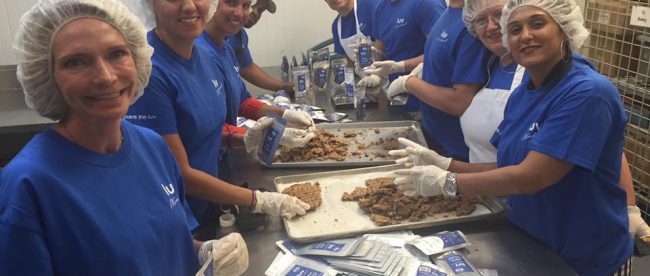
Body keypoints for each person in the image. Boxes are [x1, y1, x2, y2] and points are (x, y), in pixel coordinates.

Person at [0, 0, 247, 275]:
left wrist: (202, 251)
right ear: (48, 76)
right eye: (75, 62)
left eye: (117, 54)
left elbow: (167, 241)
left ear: (137, 57)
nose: (105, 77)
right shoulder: (28, 186)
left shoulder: (152, 147)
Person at [389, 0, 634, 274]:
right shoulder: (524, 93)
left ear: (564, 30)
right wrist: (446, 164)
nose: (525, 35)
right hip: (533, 245)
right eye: (515, 29)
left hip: (585, 258)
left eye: (538, 24)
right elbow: (511, 164)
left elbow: (532, 177)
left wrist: (449, 182)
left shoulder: (587, 93)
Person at [126, 0, 311, 235]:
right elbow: (176, 171)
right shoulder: (151, 73)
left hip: (208, 198)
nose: (190, 6)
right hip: (176, 216)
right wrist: (258, 199)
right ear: (151, 5)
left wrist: (242, 139)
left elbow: (200, 130)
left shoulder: (203, 55)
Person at [386, 0, 490, 161]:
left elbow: (459, 102)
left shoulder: (472, 25)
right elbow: (441, 60)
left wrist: (409, 83)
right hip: (432, 136)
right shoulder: (448, 14)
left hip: (456, 151)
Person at [361, 0, 446, 110]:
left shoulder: (427, 4)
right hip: (396, 99)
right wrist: (371, 67)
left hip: (425, 101)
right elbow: (380, 49)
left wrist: (400, 66)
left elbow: (439, 55)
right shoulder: (381, 8)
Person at [224, 1, 295, 94]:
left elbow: (246, 68)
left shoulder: (240, 36)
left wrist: (283, 86)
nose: (256, 13)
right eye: (251, 5)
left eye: (260, 10)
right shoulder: (211, 32)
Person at [324, 0, 379, 66]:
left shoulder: (369, 5)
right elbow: (346, 59)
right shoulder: (336, 26)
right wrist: (358, 74)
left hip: (385, 69)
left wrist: (375, 73)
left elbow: (383, 41)